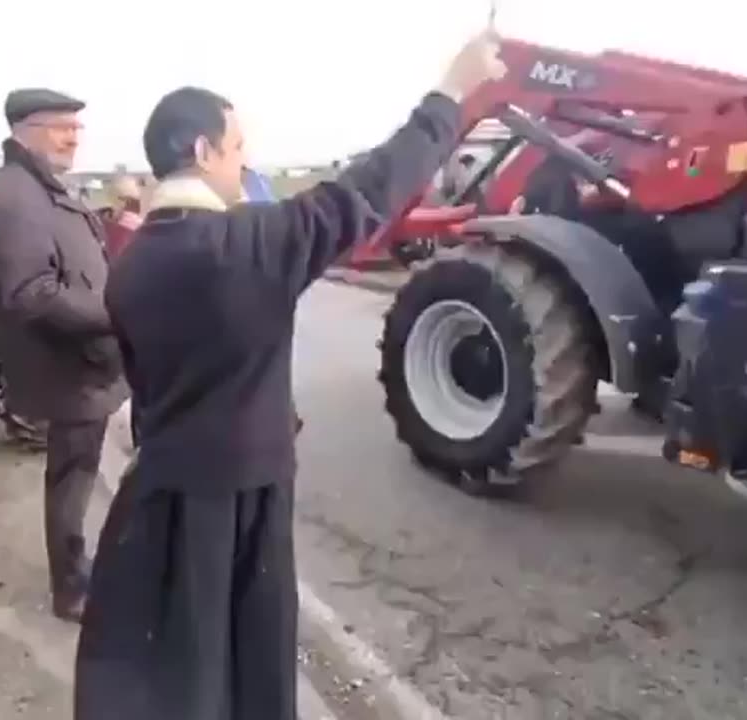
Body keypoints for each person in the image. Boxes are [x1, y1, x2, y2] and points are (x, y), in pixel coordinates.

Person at [74, 29, 506, 720]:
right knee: (244, 665)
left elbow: (147, 388)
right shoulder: (253, 244)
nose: (244, 164)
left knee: (177, 664)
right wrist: (451, 91)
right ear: (202, 150)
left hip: (159, 491)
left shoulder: (130, 266)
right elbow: (376, 186)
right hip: (243, 499)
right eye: (238, 148)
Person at [0, 87, 128, 622]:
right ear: (28, 129)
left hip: (85, 362)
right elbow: (31, 292)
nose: (74, 138)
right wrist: (117, 315)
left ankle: (78, 570)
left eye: (78, 128)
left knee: (78, 473)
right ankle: (71, 589)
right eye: (64, 127)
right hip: (70, 367)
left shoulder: (41, 186)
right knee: (71, 478)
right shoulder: (16, 194)